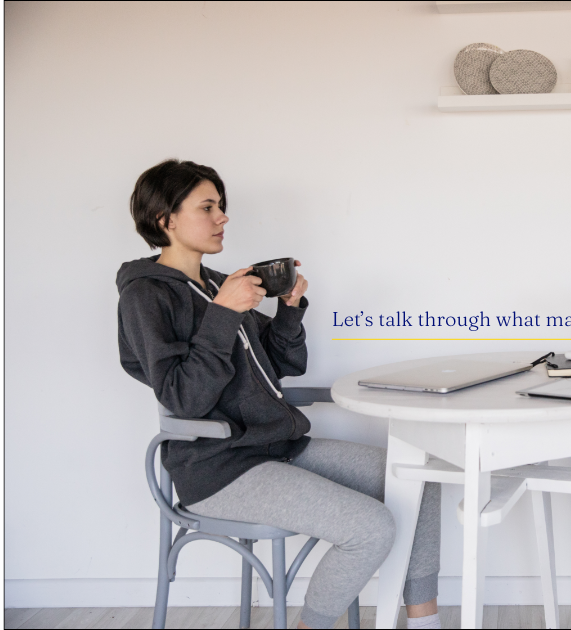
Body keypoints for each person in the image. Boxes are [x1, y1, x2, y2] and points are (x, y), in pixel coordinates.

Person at [117, 160, 442, 630]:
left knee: (421, 480)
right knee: (371, 527)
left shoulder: (218, 284)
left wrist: (288, 309)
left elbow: (281, 364)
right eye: (207, 207)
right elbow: (183, 397)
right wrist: (224, 313)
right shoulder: (145, 296)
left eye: (221, 206)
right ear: (165, 219)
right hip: (219, 467)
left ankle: (425, 622)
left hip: (277, 447)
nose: (223, 217)